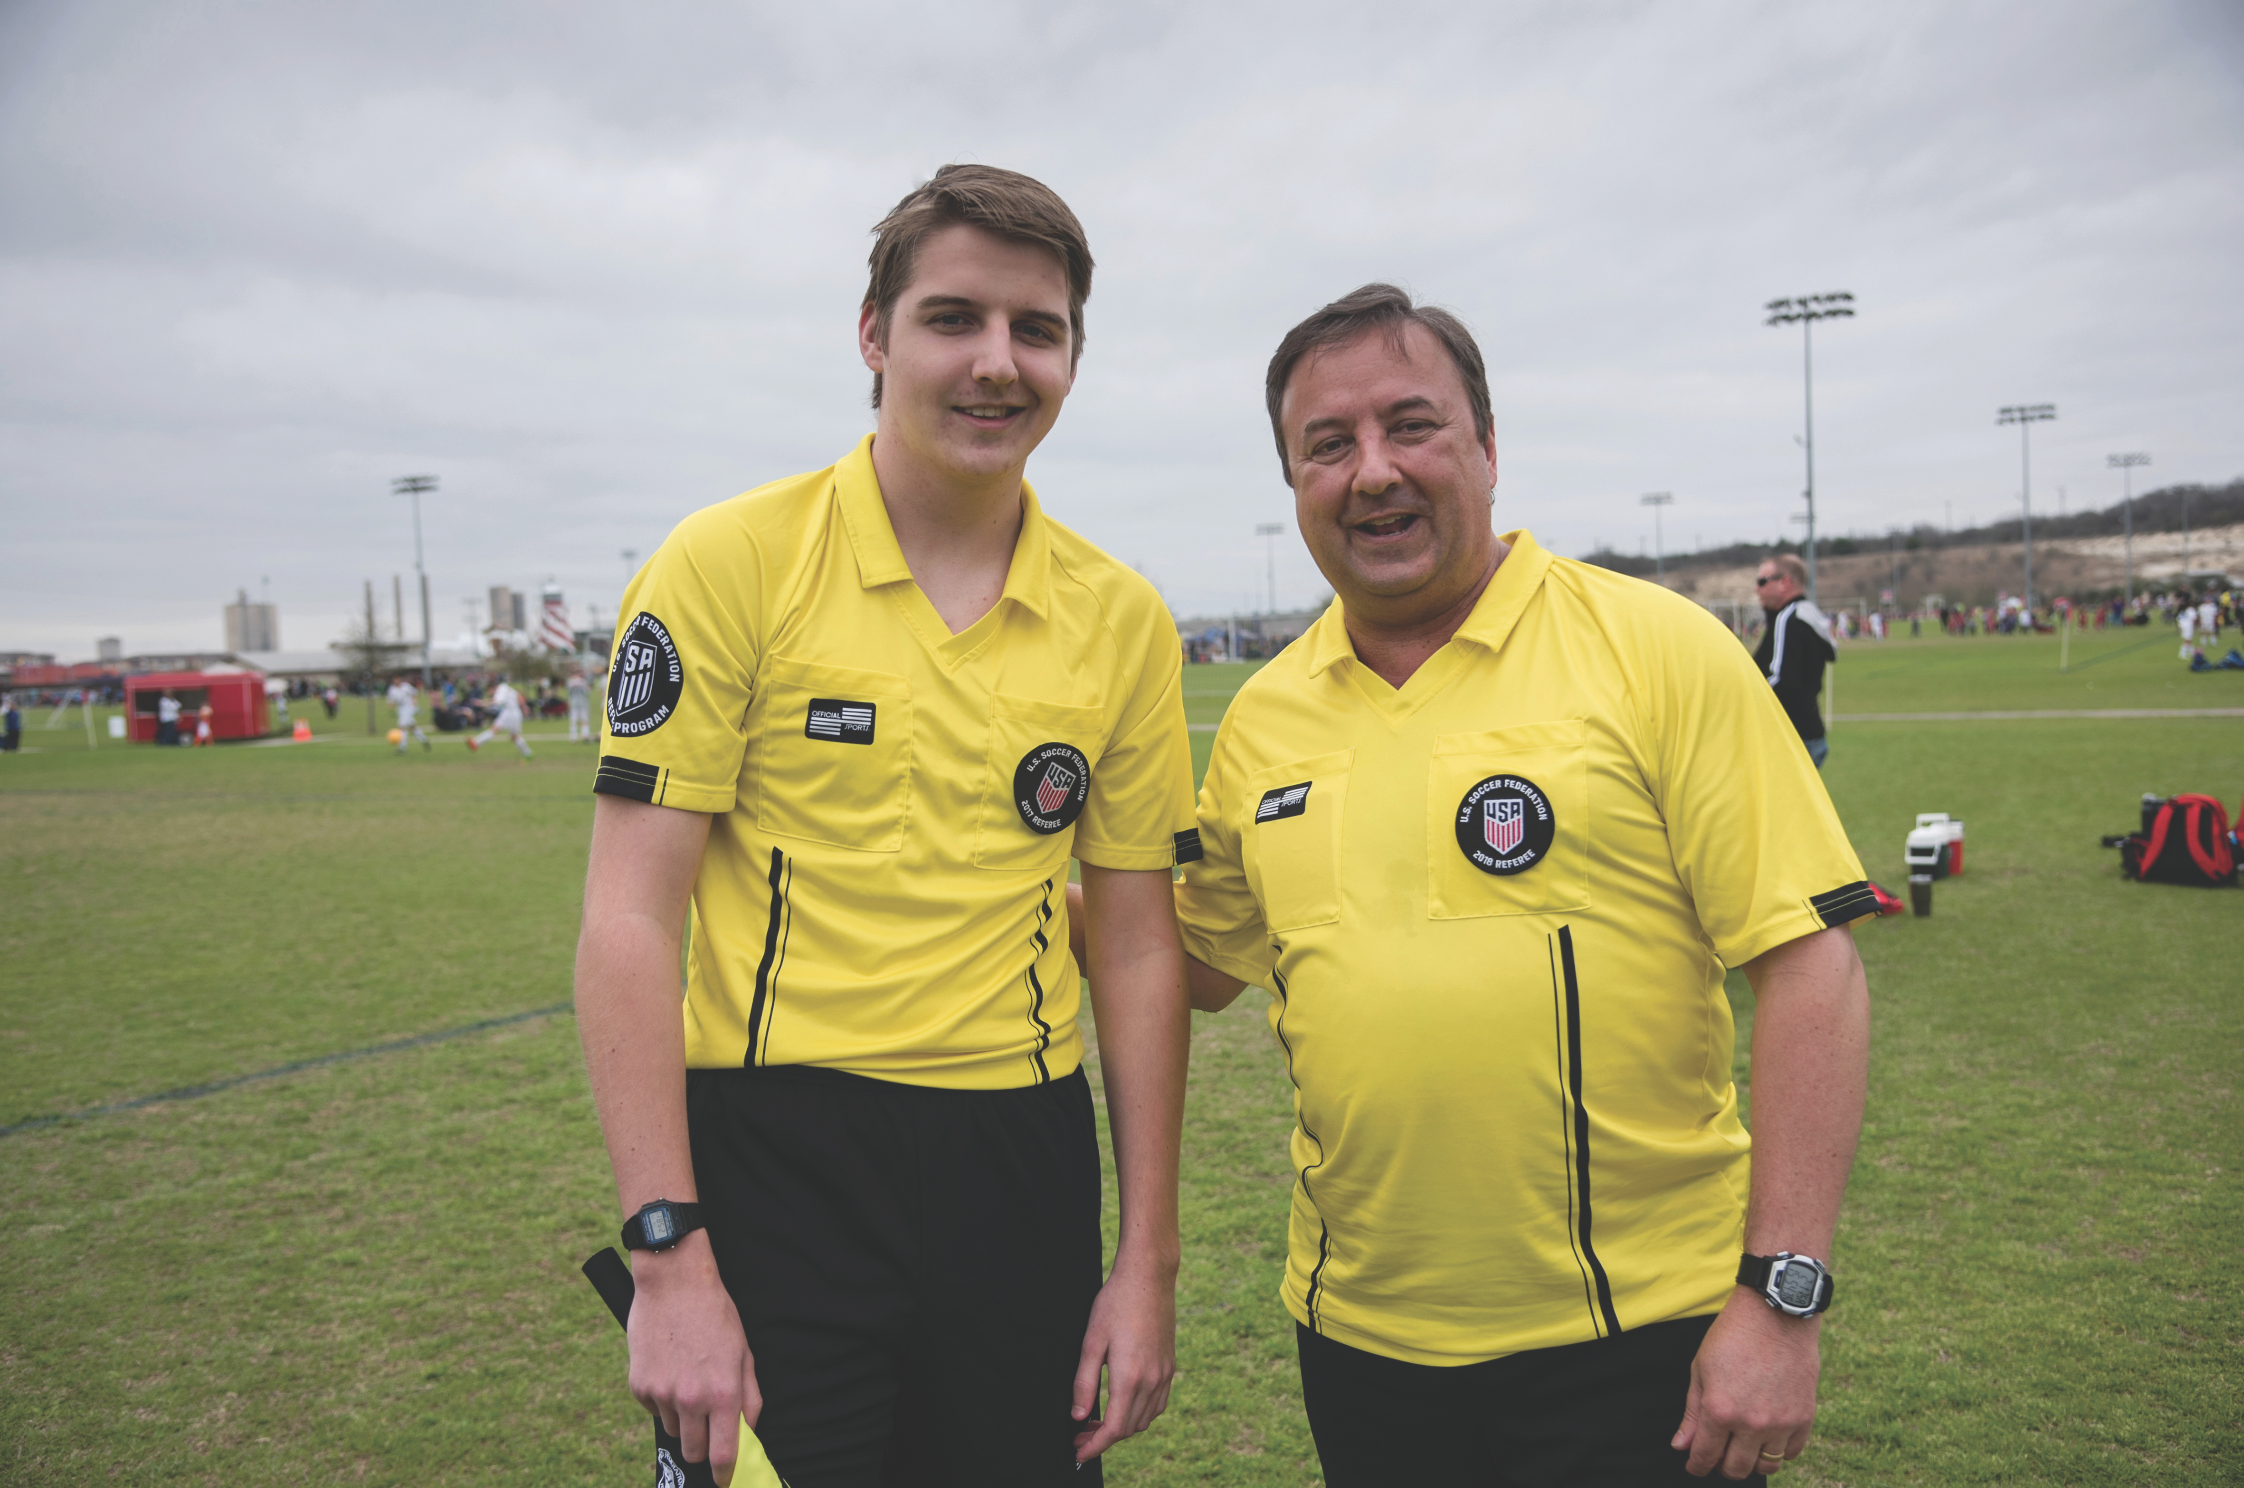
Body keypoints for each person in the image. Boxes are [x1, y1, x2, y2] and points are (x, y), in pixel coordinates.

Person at [1086, 284, 1873, 1486]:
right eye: (1328, 445)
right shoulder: (1264, 719)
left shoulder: (1654, 648)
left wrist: (1782, 1296)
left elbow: (1812, 966)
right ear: (1293, 482)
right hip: (1358, 1342)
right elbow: (1193, 964)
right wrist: (1007, 874)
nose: (1374, 472)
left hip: (1638, 1341)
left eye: (1414, 426)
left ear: (1490, 449)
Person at [574, 164, 1196, 1486]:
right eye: (954, 319)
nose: (997, 364)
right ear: (874, 335)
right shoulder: (729, 562)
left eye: (1038, 331)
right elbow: (630, 917)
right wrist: (669, 1254)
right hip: (773, 1158)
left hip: (1021, 1162)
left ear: (1075, 355)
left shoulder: (1122, 616)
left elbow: (1140, 952)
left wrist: (1146, 1264)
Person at [1752, 554, 1836, 768]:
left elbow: (1780, 681)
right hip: (1809, 733)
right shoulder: (1807, 615)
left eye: (1762, 581)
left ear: (1785, 582)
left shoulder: (1788, 619)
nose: (1757, 589)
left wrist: (1738, 704)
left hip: (1791, 739)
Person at [466, 678, 532, 758]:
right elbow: (518, 696)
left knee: (514, 737)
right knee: (494, 729)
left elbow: (494, 702)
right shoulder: (504, 686)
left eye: (489, 691)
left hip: (513, 714)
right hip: (507, 711)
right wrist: (524, 706)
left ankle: (528, 754)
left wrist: (480, 703)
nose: (489, 693)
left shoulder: (500, 690)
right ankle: (476, 743)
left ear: (492, 688)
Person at [385, 676, 432, 753]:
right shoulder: (392, 690)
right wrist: (391, 705)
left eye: (397, 679)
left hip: (409, 707)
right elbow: (391, 701)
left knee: (402, 726)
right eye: (395, 680)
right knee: (412, 727)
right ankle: (424, 740)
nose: (396, 681)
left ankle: (402, 747)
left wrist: (414, 700)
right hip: (401, 709)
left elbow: (414, 692)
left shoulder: (406, 686)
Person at [566, 667, 593, 742]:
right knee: (584, 719)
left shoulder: (570, 682)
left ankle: (573, 737)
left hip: (573, 702)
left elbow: (569, 694)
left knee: (573, 719)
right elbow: (587, 691)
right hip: (583, 702)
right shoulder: (582, 681)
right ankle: (585, 735)